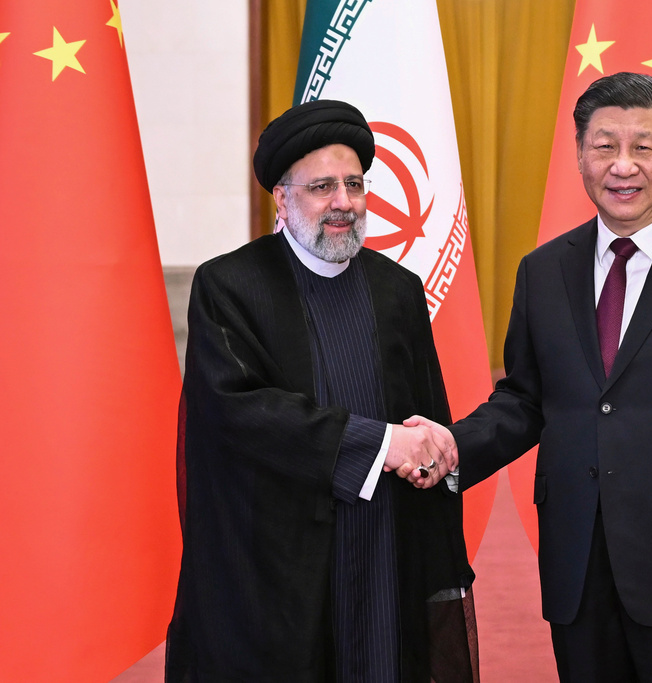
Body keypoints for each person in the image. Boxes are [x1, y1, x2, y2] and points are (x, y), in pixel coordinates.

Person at [408, 72, 652, 682]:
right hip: (579, 561)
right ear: (579, 155)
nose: (623, 165)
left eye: (643, 146)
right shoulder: (544, 270)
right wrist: (450, 448)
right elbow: (525, 399)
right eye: (604, 146)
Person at [165, 99, 476, 683]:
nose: (343, 203)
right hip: (277, 565)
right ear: (282, 199)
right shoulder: (230, 286)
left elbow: (427, 413)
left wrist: (432, 451)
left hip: (384, 548)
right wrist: (379, 446)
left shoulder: (399, 290)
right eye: (322, 186)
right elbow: (241, 415)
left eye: (354, 184)